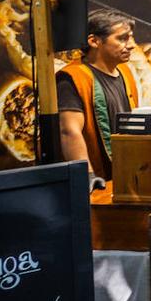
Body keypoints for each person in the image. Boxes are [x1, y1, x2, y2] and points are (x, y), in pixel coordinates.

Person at [57, 10, 140, 185]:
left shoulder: (125, 72)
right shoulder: (72, 78)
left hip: (127, 173)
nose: (132, 45)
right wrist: (86, 177)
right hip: (99, 181)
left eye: (131, 37)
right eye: (122, 38)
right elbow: (69, 130)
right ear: (94, 41)